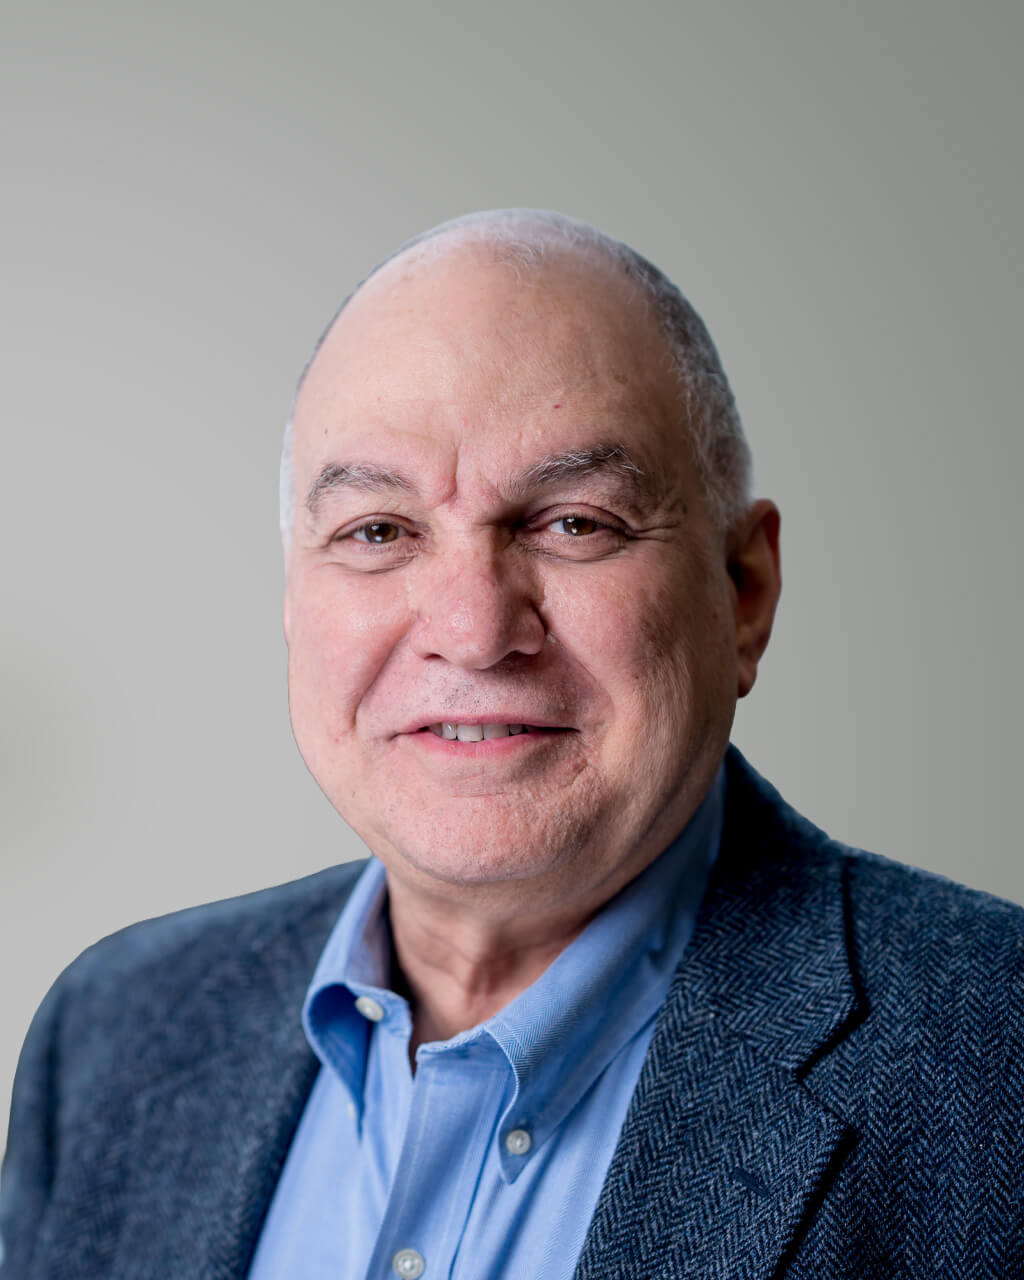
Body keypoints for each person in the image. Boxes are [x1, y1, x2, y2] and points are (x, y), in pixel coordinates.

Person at [3, 210, 1022, 1280]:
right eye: (379, 531)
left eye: (574, 521)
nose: (474, 629)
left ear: (744, 594)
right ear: (293, 597)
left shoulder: (993, 1056)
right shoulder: (114, 1029)